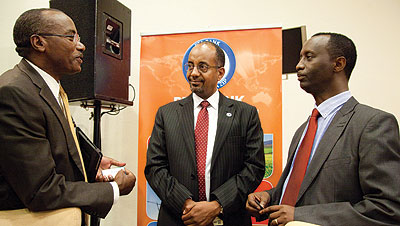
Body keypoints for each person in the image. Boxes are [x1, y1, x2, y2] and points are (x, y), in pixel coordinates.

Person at [246, 32, 400, 226]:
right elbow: (301, 192)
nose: (299, 65)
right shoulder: (303, 130)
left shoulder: (373, 124)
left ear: (338, 64)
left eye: (308, 57)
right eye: (300, 57)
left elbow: (387, 208)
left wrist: (302, 216)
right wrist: (269, 196)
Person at [0, 8, 136, 223]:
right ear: (39, 43)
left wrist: (93, 163)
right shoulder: (15, 92)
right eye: (71, 37)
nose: (81, 46)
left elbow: (57, 145)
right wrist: (113, 189)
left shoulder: (49, 89)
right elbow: (40, 190)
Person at [145, 41, 265, 226]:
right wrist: (186, 204)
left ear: (220, 73)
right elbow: (155, 167)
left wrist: (218, 205)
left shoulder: (245, 114)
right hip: (178, 218)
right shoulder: (166, 114)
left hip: (229, 218)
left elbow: (253, 168)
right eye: (190, 66)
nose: (193, 73)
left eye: (202, 67)